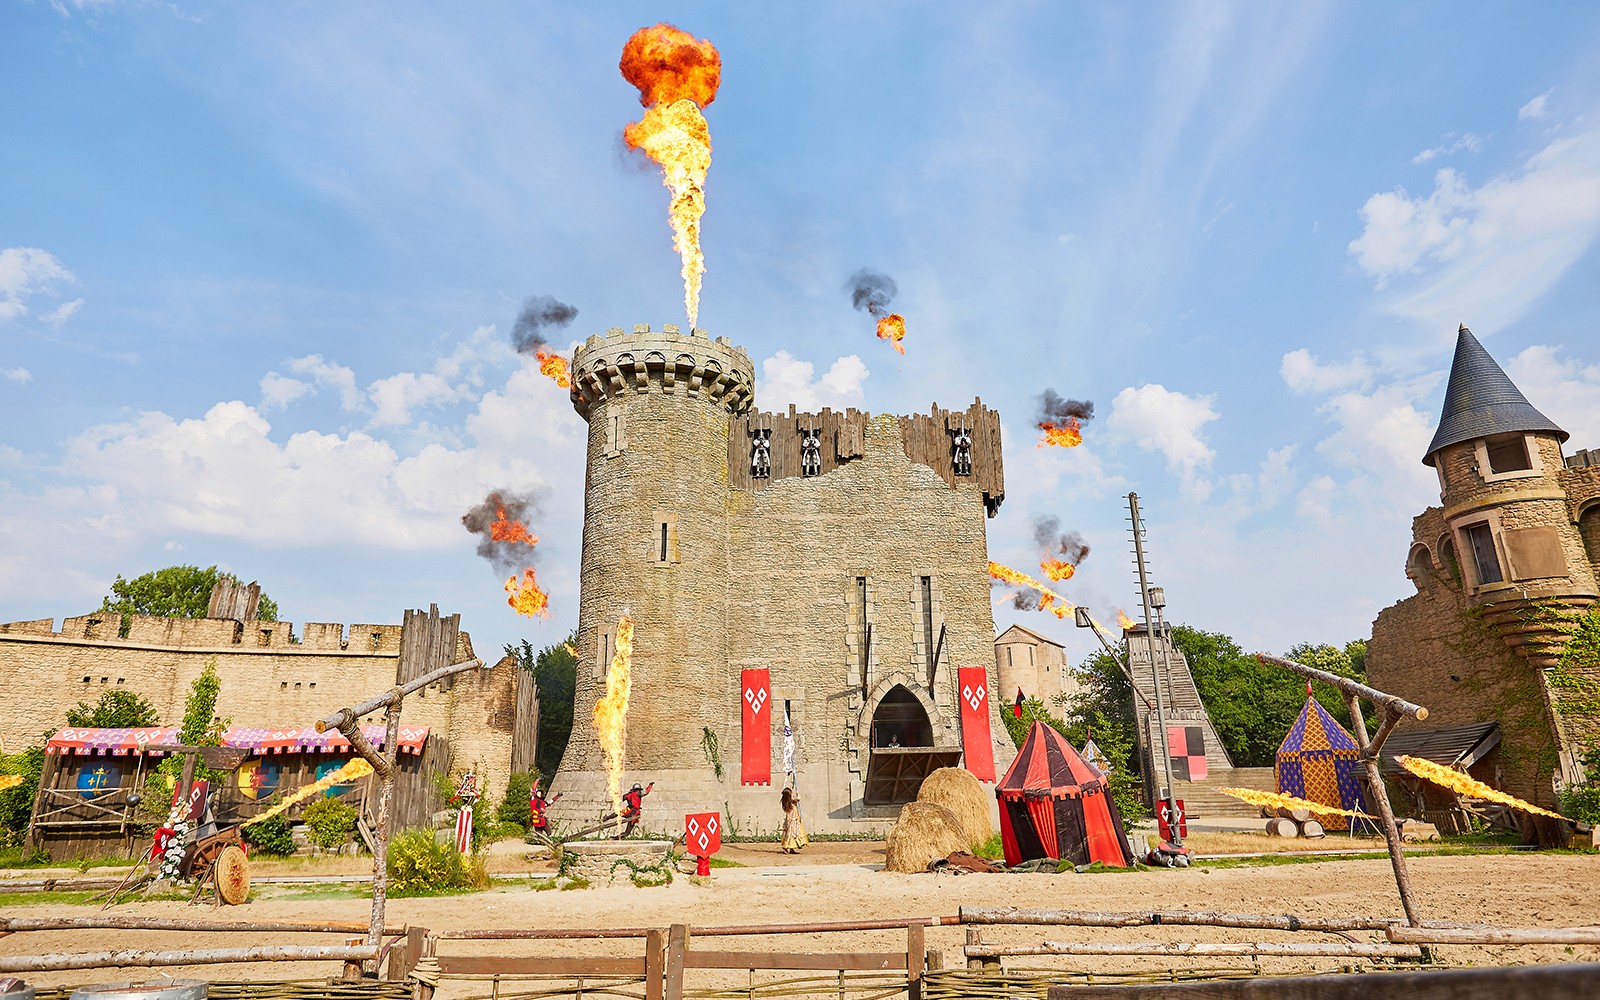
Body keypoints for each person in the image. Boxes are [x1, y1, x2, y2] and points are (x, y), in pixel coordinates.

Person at [780, 786, 808, 854]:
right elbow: (797, 799)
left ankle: (791, 848)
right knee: (792, 834)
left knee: (792, 834)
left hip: (792, 821)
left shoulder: (786, 802)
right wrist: (798, 795)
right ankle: (786, 847)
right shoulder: (790, 802)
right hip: (793, 821)